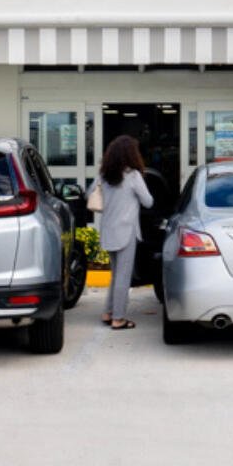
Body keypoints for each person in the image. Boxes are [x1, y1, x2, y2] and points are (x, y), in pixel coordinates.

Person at [93, 135, 155, 330]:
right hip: (126, 232)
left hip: (108, 231)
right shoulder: (133, 176)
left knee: (115, 274)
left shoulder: (103, 176)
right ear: (131, 155)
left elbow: (90, 195)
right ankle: (118, 318)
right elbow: (148, 201)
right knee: (123, 277)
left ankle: (107, 312)